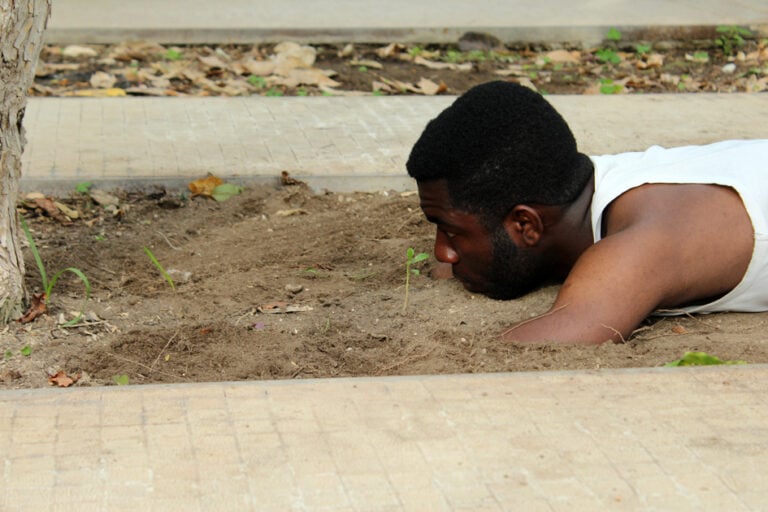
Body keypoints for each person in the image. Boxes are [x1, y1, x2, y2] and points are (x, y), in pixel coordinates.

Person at [406, 80, 768, 345]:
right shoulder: (572, 188)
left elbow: (567, 334)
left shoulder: (645, 240)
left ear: (525, 225)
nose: (443, 252)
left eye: (451, 232)